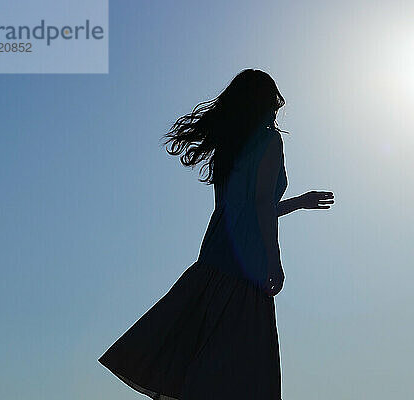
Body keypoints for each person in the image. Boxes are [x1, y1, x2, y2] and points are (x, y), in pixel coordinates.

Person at [98, 69, 334, 399]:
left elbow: (249, 209)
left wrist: (297, 203)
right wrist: (274, 263)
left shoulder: (230, 145)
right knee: (242, 375)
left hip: (212, 261)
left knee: (195, 363)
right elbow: (262, 205)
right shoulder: (269, 140)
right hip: (245, 270)